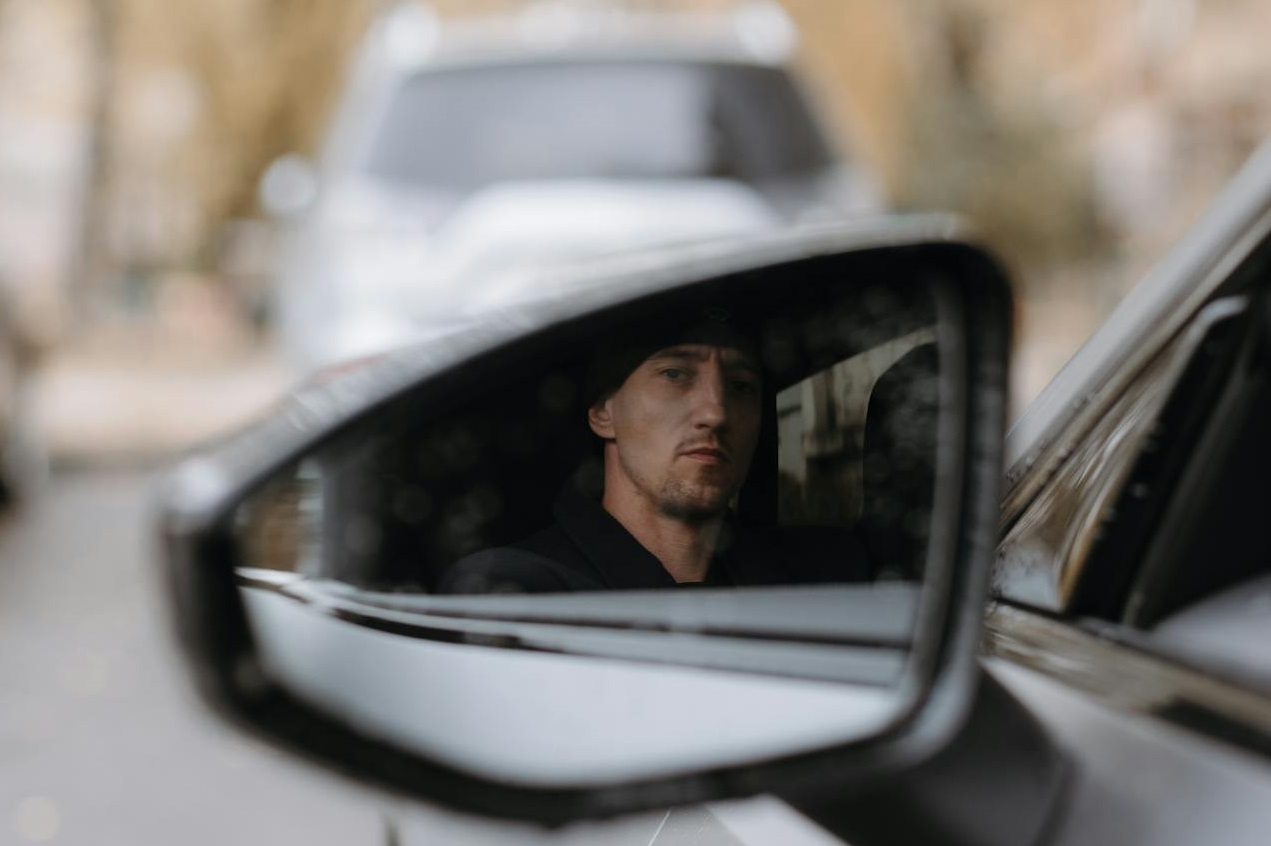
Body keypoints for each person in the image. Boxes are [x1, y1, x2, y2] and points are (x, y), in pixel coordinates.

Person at [439, 308, 872, 593]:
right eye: (675, 374)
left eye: (741, 387)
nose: (716, 413)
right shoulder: (518, 587)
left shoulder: (806, 584)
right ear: (602, 412)